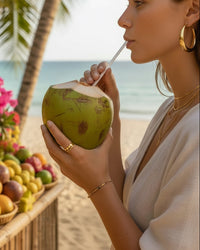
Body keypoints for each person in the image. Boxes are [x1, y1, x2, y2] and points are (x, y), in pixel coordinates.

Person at [41, 0, 199, 249]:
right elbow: (127, 202)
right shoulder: (171, 109)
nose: (123, 19)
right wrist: (110, 114)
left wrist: (95, 186)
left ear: (191, 10)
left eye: (139, 3)